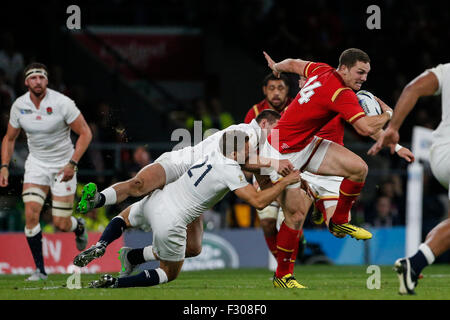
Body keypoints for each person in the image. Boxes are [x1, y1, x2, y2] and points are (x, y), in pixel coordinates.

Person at [74, 130, 302, 289]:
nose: (250, 155)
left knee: (125, 218)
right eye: (246, 151)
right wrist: (286, 181)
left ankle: (107, 245)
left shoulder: (213, 152)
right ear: (234, 153)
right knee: (168, 272)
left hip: (160, 197)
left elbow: (246, 162)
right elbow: (259, 202)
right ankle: (115, 283)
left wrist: (269, 164)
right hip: (173, 219)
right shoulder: (231, 169)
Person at [258, 49, 394, 286]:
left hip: (306, 143)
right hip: (280, 152)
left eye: (366, 74)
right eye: (360, 72)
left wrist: (277, 67)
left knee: (359, 168)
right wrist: (388, 114)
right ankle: (282, 275)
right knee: (296, 214)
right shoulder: (341, 92)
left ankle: (339, 219)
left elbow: (293, 62)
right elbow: (365, 129)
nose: (364, 78)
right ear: (343, 68)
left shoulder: (321, 69)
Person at [0, 63, 92, 281]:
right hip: (37, 165)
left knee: (61, 223)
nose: (38, 81)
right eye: (33, 78)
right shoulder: (19, 105)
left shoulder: (62, 103)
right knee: (31, 213)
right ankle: (40, 270)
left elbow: (86, 133)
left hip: (63, 164)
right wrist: (4, 166)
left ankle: (78, 226)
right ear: (26, 82)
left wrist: (73, 163)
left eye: (41, 77)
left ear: (47, 81)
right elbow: (9, 138)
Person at [368, 63, 450, 295]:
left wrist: (393, 128)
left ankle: (414, 263)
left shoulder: (447, 70)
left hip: (440, 154)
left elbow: (412, 88)